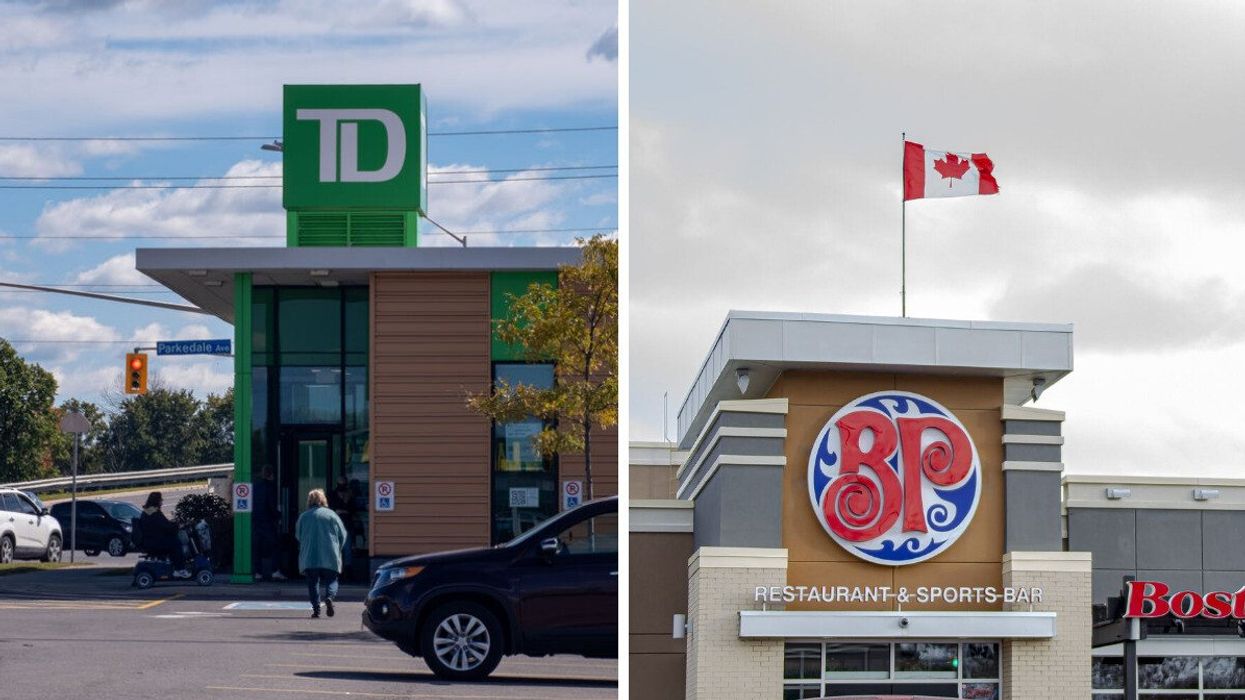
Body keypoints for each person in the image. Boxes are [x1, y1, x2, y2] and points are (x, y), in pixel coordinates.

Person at [295, 489, 347, 619]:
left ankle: (316, 609)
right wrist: (338, 547)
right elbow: (342, 535)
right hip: (329, 554)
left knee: (312, 583)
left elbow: (298, 535)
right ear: (323, 500)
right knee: (332, 580)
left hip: (310, 555)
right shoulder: (332, 515)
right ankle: (329, 597)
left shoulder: (303, 516)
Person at [138, 492, 190, 578]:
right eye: (160, 499)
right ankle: (180, 569)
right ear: (156, 501)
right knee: (176, 543)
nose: (162, 501)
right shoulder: (154, 512)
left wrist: (173, 525)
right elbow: (165, 526)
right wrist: (177, 526)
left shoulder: (148, 511)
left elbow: (162, 524)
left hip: (150, 540)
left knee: (173, 541)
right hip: (154, 541)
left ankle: (176, 567)